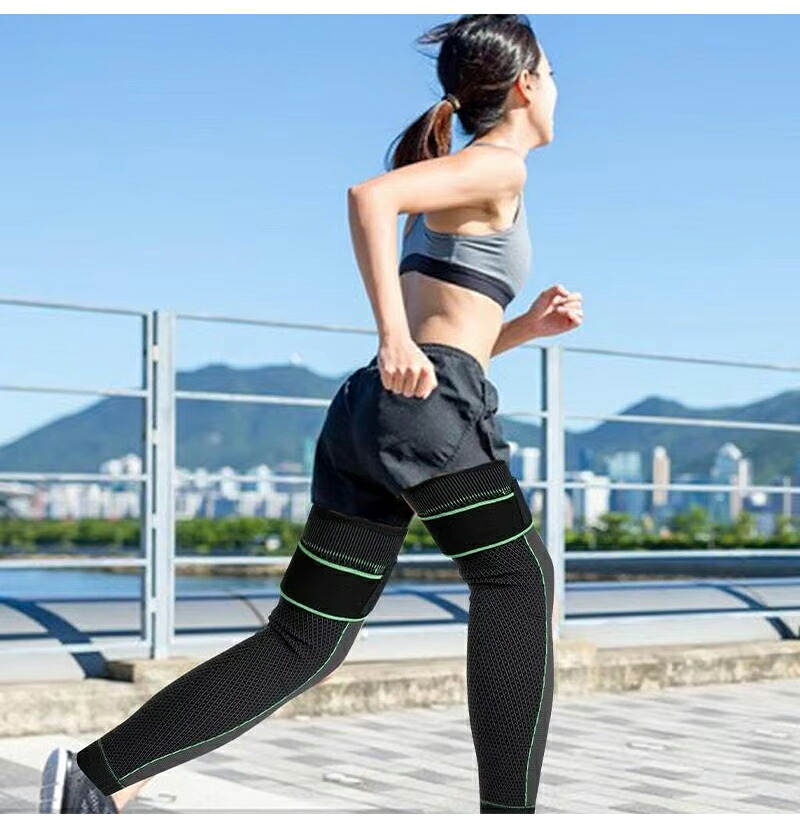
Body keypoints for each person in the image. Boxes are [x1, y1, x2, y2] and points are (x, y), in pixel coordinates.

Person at [39, 13, 583, 815]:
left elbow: (446, 341)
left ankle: (95, 780)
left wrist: (522, 330)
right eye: (556, 76)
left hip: (384, 414)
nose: (561, 90)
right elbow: (370, 198)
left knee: (307, 638)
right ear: (528, 85)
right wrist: (393, 334)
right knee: (519, 580)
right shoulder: (497, 166)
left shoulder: (472, 175)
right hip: (423, 409)